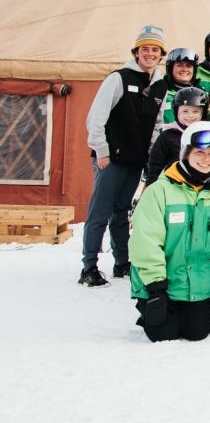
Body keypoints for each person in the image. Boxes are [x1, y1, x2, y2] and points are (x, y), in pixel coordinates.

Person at [80, 24, 165, 287]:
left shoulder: (159, 85)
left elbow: (157, 126)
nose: (149, 53)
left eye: (155, 49)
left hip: (135, 159)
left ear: (161, 54)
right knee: (100, 211)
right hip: (112, 158)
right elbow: (96, 117)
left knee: (121, 211)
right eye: (145, 48)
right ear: (136, 51)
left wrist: (150, 158)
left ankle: (121, 262)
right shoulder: (118, 78)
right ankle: (89, 266)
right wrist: (101, 152)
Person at [128, 121, 210, 342]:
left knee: (197, 332)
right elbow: (145, 241)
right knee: (163, 334)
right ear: (185, 153)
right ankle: (148, 305)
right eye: (199, 152)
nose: (206, 159)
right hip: (162, 283)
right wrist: (155, 288)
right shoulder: (159, 191)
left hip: (197, 285)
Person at [144, 86, 207, 186]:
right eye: (185, 111)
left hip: (199, 186)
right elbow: (155, 165)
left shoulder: (207, 135)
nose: (190, 116)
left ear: (203, 113)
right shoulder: (167, 135)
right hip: (171, 185)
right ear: (177, 112)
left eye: (195, 111)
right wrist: (151, 186)